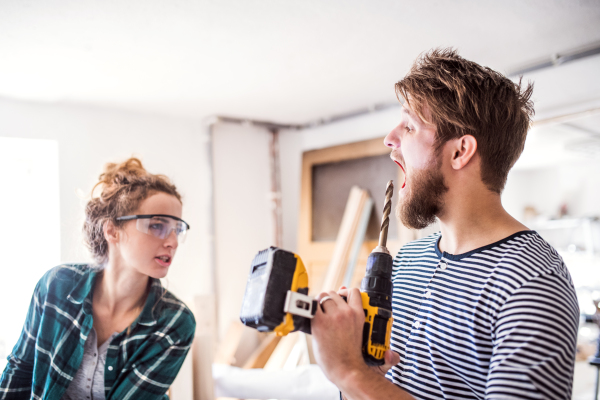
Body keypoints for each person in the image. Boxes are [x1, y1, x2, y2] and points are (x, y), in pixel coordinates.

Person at [311, 48, 579, 400]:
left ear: (459, 152)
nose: (390, 140)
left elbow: (360, 379)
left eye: (409, 126)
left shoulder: (531, 283)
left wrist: (350, 372)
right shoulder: (407, 262)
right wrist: (359, 369)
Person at [0, 157, 196, 399]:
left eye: (177, 229)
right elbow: (20, 370)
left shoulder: (175, 322)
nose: (173, 242)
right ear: (112, 230)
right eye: (157, 225)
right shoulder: (56, 286)